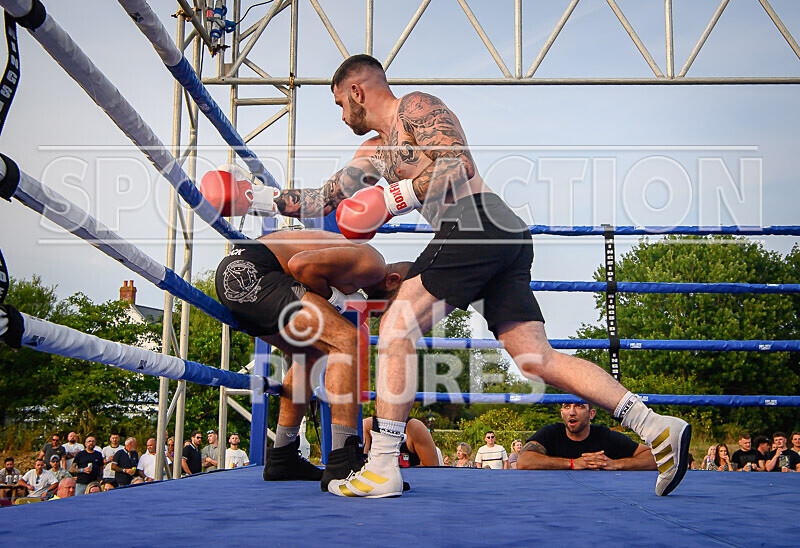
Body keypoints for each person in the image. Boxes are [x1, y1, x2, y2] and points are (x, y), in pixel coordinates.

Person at [240, 54, 690, 497]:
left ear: (356, 90)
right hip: (497, 236)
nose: (342, 115)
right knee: (537, 360)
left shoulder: (414, 108)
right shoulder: (373, 153)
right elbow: (323, 197)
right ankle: (654, 425)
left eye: (341, 103)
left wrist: (393, 198)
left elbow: (458, 164)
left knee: (397, 326)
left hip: (478, 220)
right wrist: (257, 200)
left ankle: (381, 466)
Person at [210, 228, 408, 490]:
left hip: (242, 275)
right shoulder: (373, 264)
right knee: (347, 341)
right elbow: (300, 264)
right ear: (393, 280)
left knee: (310, 353)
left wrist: (333, 299)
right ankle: (342, 461)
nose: (388, 313)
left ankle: (283, 455)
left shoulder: (353, 261)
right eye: (398, 303)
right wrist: (334, 299)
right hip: (253, 273)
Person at [518, 403, 657, 471]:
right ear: (561, 413)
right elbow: (523, 460)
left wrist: (617, 464)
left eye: (579, 406)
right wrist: (572, 463)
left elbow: (654, 457)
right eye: (567, 407)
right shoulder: (551, 432)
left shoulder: (605, 436)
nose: (572, 412)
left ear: (591, 414)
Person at [362, 417, 442, 467]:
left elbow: (432, 471)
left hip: (413, 487)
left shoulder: (415, 428)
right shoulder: (367, 426)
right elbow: (360, 463)